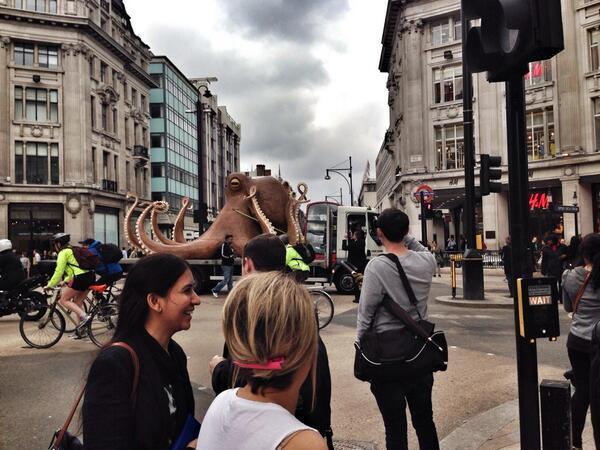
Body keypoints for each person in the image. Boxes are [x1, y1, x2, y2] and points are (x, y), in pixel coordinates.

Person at [209, 234, 334, 446]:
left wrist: (221, 370)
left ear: (247, 264)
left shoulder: (220, 406)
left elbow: (254, 378)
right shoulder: (295, 307)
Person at [83, 253, 199, 449]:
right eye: (187, 290)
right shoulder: (115, 364)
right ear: (154, 301)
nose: (196, 300)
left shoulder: (175, 353)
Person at [357, 208, 439, 450]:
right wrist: (405, 234)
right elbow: (420, 248)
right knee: (425, 421)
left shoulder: (376, 267)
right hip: (419, 353)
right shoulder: (426, 261)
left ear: (379, 233)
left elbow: (366, 313)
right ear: (405, 232)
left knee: (395, 428)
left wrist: (359, 345)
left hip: (387, 358)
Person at [563, 233, 600, 450]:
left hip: (577, 341)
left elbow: (568, 308)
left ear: (583, 253)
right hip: (598, 341)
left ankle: (574, 440)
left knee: (584, 391)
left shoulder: (570, 276)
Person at [44, 233, 96, 334]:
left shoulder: (63, 252)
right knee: (77, 303)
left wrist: (50, 285)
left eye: (55, 244)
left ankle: (85, 317)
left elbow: (59, 271)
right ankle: (81, 330)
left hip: (81, 278)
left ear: (58, 244)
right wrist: (65, 281)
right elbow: (73, 270)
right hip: (90, 275)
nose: (55, 246)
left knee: (63, 300)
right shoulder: (73, 249)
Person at [348, 229, 368, 302]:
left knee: (356, 282)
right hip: (361, 265)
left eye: (353, 235)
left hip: (355, 266)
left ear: (356, 236)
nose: (352, 236)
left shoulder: (355, 244)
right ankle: (360, 297)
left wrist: (345, 239)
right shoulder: (362, 242)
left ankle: (357, 298)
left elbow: (345, 247)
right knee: (360, 282)